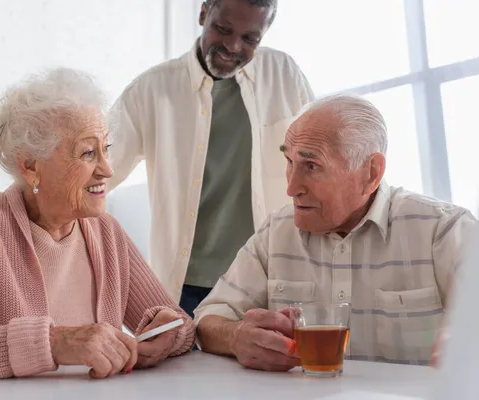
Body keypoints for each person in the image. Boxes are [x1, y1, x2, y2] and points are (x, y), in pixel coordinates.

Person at [0, 67, 195, 382]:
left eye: (106, 149)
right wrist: (53, 344)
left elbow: (179, 325)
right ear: (30, 166)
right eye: (88, 153)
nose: (107, 169)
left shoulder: (106, 231)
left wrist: (170, 334)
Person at [194, 94, 478, 369]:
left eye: (312, 165)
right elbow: (208, 318)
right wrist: (235, 336)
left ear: (371, 173)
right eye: (290, 162)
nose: (292, 188)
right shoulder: (276, 232)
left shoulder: (445, 231)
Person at [108, 0, 314, 317]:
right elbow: (98, 170)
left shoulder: (283, 73)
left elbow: (319, 156)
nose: (233, 47)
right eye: (223, 29)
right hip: (187, 288)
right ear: (204, 13)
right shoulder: (151, 89)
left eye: (250, 39)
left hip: (272, 281)